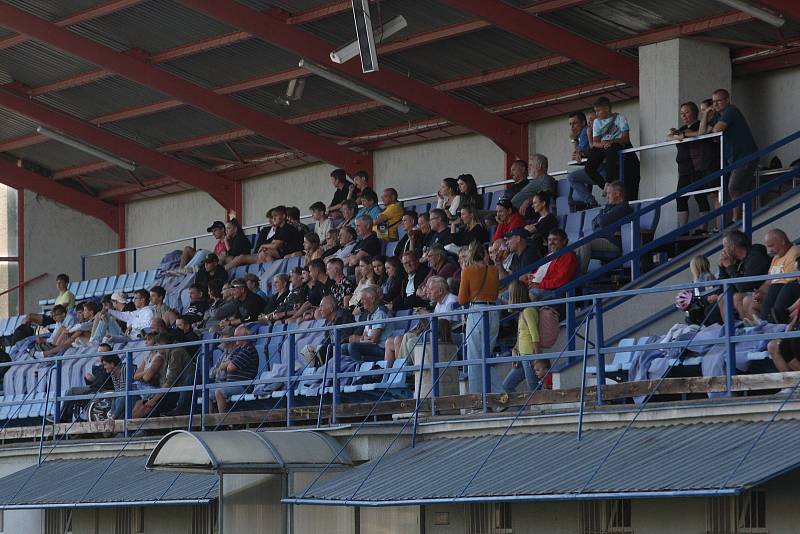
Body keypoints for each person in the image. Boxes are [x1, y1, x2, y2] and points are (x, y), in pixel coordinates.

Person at [700, 88, 758, 220]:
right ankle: (745, 217)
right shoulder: (716, 115)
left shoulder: (731, 110)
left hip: (745, 156)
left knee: (733, 188)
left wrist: (714, 128)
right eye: (713, 102)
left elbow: (717, 129)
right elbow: (702, 133)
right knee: (739, 189)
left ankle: (736, 220)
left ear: (727, 100)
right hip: (733, 159)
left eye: (719, 101)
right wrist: (705, 114)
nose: (715, 104)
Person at [458, 242, 502, 395]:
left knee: (475, 359)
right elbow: (496, 294)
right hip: (493, 312)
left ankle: (480, 399)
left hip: (477, 312)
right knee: (485, 357)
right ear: (484, 255)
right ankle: (497, 396)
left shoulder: (468, 271)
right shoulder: (494, 270)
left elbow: (462, 299)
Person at [384, 276, 458, 365]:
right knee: (408, 335)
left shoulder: (451, 301)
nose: (428, 292)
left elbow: (444, 328)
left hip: (448, 337)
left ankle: (415, 371)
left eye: (430, 289)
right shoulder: (439, 303)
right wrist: (422, 319)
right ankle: (403, 370)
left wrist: (427, 315)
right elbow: (432, 326)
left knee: (412, 342)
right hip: (436, 335)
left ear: (440, 291)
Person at [706, 230, 770, 322]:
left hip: (759, 293)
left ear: (733, 247)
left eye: (725, 246)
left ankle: (748, 328)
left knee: (737, 297)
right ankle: (731, 332)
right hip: (746, 293)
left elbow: (743, 287)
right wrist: (722, 268)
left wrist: (730, 267)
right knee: (722, 298)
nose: (723, 250)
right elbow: (723, 289)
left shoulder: (756, 257)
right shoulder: (736, 261)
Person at [666, 101, 711, 230]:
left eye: (686, 112)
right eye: (681, 113)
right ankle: (683, 229)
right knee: (680, 199)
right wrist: (676, 136)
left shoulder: (699, 125)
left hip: (697, 167)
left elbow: (703, 132)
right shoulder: (681, 129)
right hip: (684, 170)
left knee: (700, 197)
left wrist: (683, 136)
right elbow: (668, 137)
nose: (684, 116)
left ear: (694, 113)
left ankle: (703, 229)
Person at [585, 96, 640, 200]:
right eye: (595, 111)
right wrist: (604, 144)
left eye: (598, 111)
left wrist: (612, 141)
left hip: (617, 144)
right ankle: (606, 186)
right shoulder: (596, 122)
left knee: (611, 149)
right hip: (603, 145)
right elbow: (595, 142)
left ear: (606, 108)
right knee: (588, 168)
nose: (596, 114)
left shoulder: (620, 118)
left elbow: (626, 138)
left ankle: (608, 180)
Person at [577, 181, 633, 274]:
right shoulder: (609, 208)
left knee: (584, 243)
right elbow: (593, 223)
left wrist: (600, 224)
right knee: (574, 245)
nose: (607, 196)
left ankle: (579, 277)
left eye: (609, 193)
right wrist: (601, 223)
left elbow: (602, 221)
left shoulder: (624, 208)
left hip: (614, 243)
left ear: (618, 194)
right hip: (603, 239)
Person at [745, 229, 800, 323]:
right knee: (747, 300)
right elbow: (769, 280)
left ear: (782, 241)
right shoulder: (776, 257)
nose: (770, 250)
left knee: (776, 287)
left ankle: (765, 326)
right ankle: (759, 326)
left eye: (772, 246)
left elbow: (787, 282)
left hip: (784, 293)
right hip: (772, 293)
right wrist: (760, 292)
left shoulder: (794, 254)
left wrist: (765, 294)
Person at [132, 332, 190, 418]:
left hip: (177, 389)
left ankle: (148, 430)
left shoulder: (176, 352)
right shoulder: (167, 354)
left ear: (163, 344)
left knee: (149, 407)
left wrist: (154, 399)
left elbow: (170, 381)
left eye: (156, 344)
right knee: (139, 403)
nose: (155, 347)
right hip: (169, 390)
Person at [502, 280, 541, 394]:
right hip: (522, 356)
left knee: (533, 388)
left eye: (510, 295)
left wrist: (537, 357)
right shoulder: (522, 312)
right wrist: (515, 350)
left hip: (529, 356)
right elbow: (521, 335)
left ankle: (541, 410)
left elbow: (534, 334)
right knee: (506, 386)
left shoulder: (528, 310)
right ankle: (520, 411)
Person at [58, 343, 114, 422]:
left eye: (103, 352)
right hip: (95, 389)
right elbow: (94, 384)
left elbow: (105, 383)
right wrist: (89, 380)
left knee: (73, 393)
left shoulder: (111, 365)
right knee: (71, 391)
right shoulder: (97, 367)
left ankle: (62, 419)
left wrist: (93, 380)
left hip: (103, 391)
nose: (100, 355)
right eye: (99, 352)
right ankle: (64, 417)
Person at [214, 325, 259, 413]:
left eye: (237, 336)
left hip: (244, 386)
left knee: (219, 392)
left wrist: (228, 364)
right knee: (207, 393)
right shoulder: (238, 349)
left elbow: (230, 368)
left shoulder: (249, 349)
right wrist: (229, 363)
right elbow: (223, 365)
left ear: (244, 337)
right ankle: (209, 423)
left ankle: (222, 423)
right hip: (231, 384)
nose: (235, 338)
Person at [526, 229, 578, 302]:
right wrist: (530, 279)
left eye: (555, 239)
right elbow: (538, 274)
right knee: (508, 294)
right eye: (549, 240)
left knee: (532, 293)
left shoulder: (568, 255)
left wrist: (539, 285)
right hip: (538, 286)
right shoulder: (549, 255)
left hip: (554, 292)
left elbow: (560, 280)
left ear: (564, 241)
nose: (551, 242)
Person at [340, 287, 390, 362]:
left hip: (381, 348)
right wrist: (363, 339)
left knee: (353, 346)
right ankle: (349, 369)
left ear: (372, 299)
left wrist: (361, 339)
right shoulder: (369, 315)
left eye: (363, 299)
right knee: (343, 347)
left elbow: (374, 340)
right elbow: (364, 336)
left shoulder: (380, 314)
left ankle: (359, 371)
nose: (361, 302)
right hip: (371, 345)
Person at [566, 111, 601, 209]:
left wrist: (574, 140)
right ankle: (590, 203)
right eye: (570, 124)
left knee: (572, 177)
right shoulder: (582, 134)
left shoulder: (585, 132)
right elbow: (578, 153)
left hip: (600, 171)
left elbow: (579, 152)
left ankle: (591, 203)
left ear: (583, 123)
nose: (572, 127)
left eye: (575, 123)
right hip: (595, 169)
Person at [524, 191, 558, 256]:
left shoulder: (550, 218)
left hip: (545, 252)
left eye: (535, 203)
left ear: (543, 203)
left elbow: (532, 229)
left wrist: (530, 227)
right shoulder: (538, 219)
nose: (532, 206)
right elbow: (525, 227)